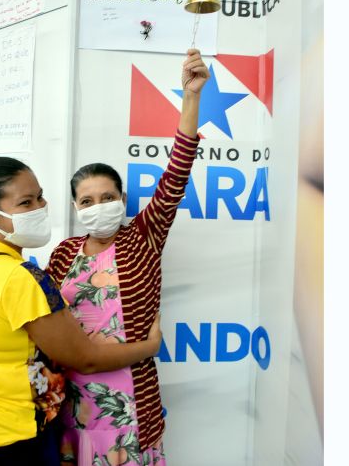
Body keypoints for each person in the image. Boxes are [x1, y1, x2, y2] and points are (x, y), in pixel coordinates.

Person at [0, 157, 162, 466]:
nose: (40, 207)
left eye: (39, 196)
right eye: (26, 202)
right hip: (16, 434)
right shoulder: (19, 277)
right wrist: (150, 346)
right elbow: (84, 358)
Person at [47, 49, 209, 466]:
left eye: (107, 197)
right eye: (87, 200)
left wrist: (191, 97)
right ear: (75, 207)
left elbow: (177, 170)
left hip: (132, 403)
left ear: (122, 199)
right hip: (72, 401)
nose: (97, 205)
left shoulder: (143, 235)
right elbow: (47, 323)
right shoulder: (63, 253)